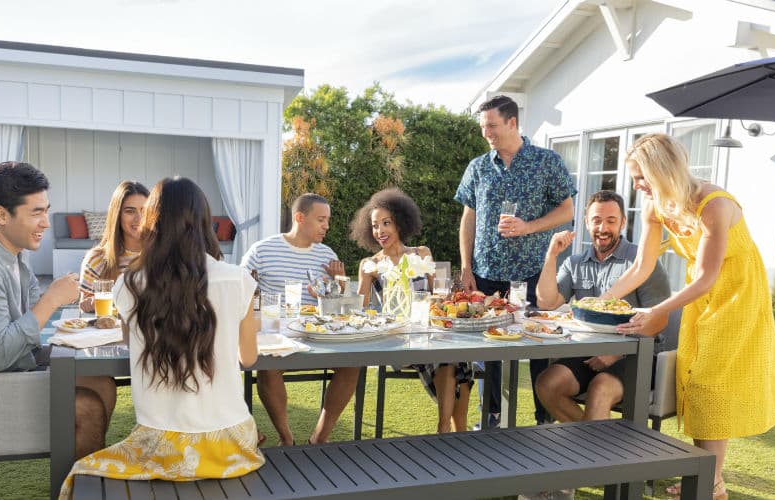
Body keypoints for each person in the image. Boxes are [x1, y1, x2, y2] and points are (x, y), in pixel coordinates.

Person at [606, 133, 775, 500]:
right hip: (701, 296)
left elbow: (707, 277)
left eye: (641, 178)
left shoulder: (714, 205)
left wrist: (657, 310)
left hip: (737, 295)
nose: (637, 186)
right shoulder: (658, 206)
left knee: (711, 384)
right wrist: (600, 300)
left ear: (661, 172)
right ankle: (708, 475)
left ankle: (712, 481)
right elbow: (642, 266)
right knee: (694, 381)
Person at [60, 177, 263, 499]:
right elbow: (248, 358)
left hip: (162, 447)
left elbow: (130, 342)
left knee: (80, 472)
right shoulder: (238, 278)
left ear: (152, 222)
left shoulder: (130, 284)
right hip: (234, 444)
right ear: (203, 222)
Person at [0, 161, 117, 460]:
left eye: (46, 210)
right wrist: (51, 301)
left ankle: (80, 477)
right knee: (88, 405)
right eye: (36, 213)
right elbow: (0, 354)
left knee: (102, 383)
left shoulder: (11, 255)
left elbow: (24, 316)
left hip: (3, 372)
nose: (45, 222)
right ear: (1, 215)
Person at [456, 95, 576, 427]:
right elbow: (468, 219)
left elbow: (566, 211)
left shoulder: (546, 162)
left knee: (540, 346)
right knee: (487, 349)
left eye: (491, 126)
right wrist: (466, 268)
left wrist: (528, 227)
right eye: (483, 127)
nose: (487, 133)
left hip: (535, 273)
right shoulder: (478, 167)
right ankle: (490, 418)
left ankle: (543, 422)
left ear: (512, 123)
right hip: (486, 274)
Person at [533, 190, 671, 423]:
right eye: (596, 220)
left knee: (600, 390)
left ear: (623, 223)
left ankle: (595, 454)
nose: (603, 228)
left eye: (611, 221)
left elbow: (660, 320)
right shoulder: (575, 262)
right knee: (547, 384)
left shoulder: (642, 261)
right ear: (586, 221)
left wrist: (616, 352)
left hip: (638, 356)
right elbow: (546, 302)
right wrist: (552, 254)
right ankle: (592, 449)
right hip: (588, 353)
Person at [351, 188, 473, 434]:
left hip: (428, 331)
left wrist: (443, 295)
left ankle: (450, 429)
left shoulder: (422, 253)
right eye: (375, 226)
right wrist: (365, 278)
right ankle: (450, 430)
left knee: (457, 354)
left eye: (386, 223)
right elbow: (360, 310)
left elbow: (440, 295)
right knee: (449, 357)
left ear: (400, 222)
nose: (380, 231)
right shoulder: (371, 263)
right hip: (397, 339)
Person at [240, 193, 351, 446]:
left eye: (328, 220)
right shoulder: (263, 250)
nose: (327, 226)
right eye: (321, 220)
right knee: (268, 366)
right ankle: (286, 437)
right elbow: (241, 289)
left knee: (352, 364)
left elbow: (336, 308)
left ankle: (320, 437)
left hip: (317, 335)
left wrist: (339, 284)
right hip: (275, 335)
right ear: (300, 218)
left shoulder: (327, 255)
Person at [78, 180, 149, 312]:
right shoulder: (96, 259)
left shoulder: (162, 255)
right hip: (110, 330)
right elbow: (84, 308)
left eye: (144, 211)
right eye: (130, 211)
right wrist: (92, 304)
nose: (139, 218)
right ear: (117, 215)